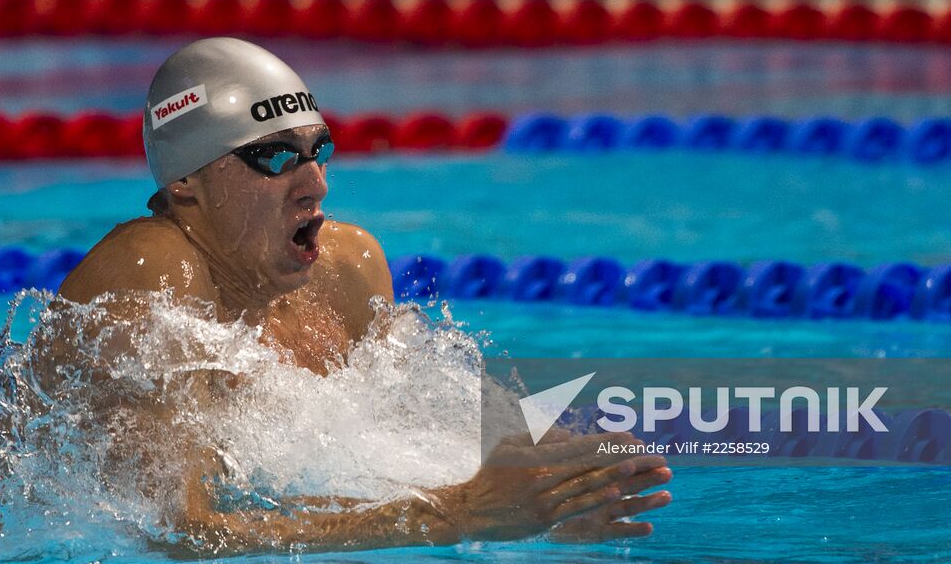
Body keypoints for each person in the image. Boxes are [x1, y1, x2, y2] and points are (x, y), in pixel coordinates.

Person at [55, 37, 673, 553]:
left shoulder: (346, 270)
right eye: (273, 158)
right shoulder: (150, 280)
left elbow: (376, 458)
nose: (315, 184)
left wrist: (547, 498)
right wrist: (457, 514)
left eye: (317, 149)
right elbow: (177, 533)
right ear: (186, 184)